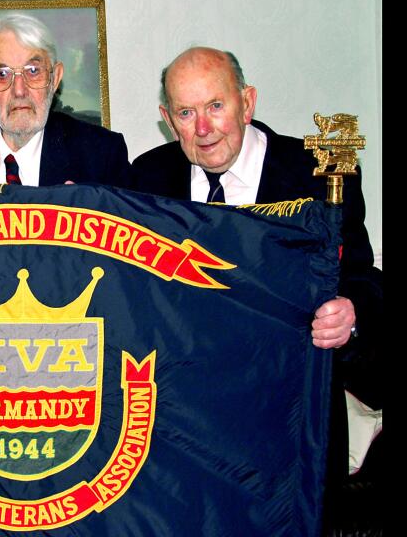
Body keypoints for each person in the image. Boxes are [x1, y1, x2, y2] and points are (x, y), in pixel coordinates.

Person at [131, 46, 382, 533]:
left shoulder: (319, 171)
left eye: (216, 106)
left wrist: (350, 311)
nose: (203, 128)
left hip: (290, 424)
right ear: (167, 118)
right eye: (186, 112)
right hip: (185, 430)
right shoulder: (146, 177)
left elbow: (365, 276)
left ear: (247, 103)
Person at [0, 13, 130, 187]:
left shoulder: (103, 155)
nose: (19, 90)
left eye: (33, 70)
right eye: (2, 74)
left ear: (54, 79)